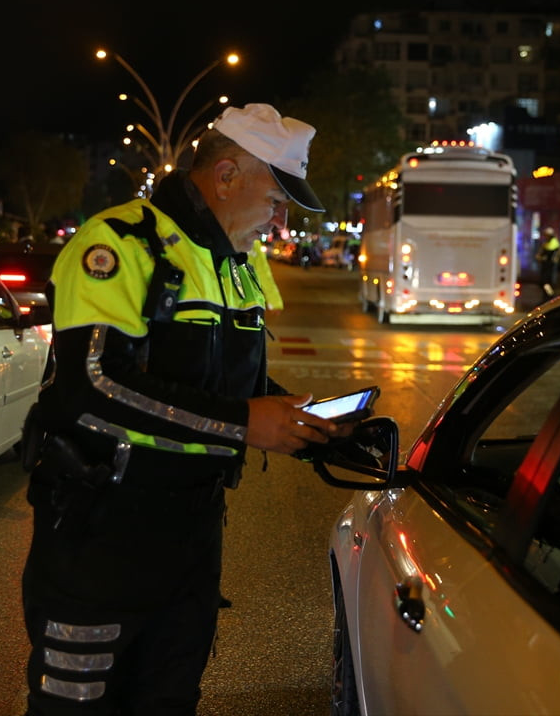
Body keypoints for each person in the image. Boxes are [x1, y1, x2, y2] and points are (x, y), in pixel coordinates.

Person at [20, 103, 352, 715]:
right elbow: (92, 385)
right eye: (276, 200)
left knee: (170, 701)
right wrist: (246, 422)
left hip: (193, 540)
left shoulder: (240, 263)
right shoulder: (119, 243)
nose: (281, 221)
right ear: (226, 176)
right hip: (100, 539)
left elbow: (228, 382)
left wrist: (301, 419)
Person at [534, 227, 560, 299]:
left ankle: (550, 297)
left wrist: (553, 259)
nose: (545, 237)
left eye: (546, 235)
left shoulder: (555, 244)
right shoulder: (546, 244)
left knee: (548, 283)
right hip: (545, 267)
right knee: (545, 283)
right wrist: (540, 258)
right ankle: (547, 297)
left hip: (551, 268)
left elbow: (557, 255)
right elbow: (539, 254)